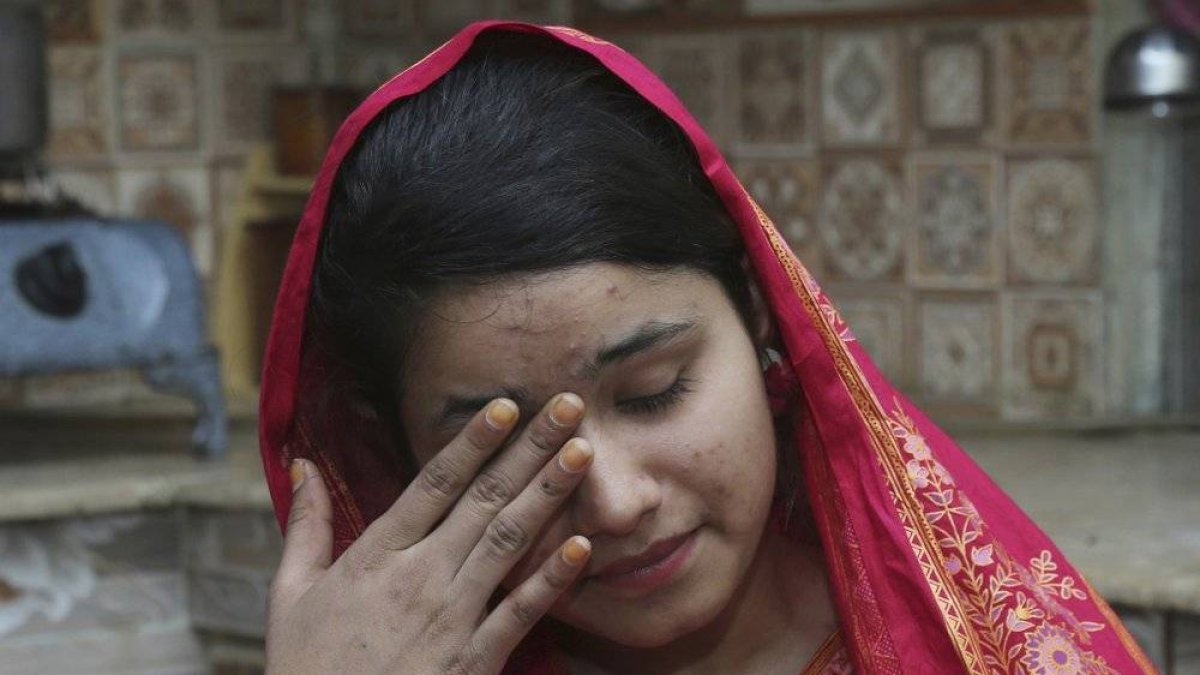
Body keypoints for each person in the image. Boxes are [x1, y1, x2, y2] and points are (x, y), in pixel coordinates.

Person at [257, 21, 1156, 675]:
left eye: (653, 391)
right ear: (399, 453)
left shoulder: (975, 651)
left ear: (764, 318)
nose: (612, 502)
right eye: (500, 446)